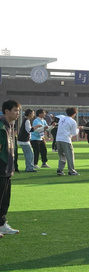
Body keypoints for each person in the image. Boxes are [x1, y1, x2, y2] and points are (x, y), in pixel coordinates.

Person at [0, 100, 21, 238]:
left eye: (18, 111)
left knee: (5, 199)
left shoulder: (10, 125)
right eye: (15, 110)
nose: (17, 113)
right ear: (6, 111)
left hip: (7, 167)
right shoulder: (1, 125)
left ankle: (2, 224)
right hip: (1, 166)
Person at [56, 107, 82, 176]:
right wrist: (79, 129)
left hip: (58, 139)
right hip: (66, 139)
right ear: (74, 113)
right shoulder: (72, 121)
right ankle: (71, 170)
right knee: (70, 155)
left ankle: (60, 169)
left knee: (62, 155)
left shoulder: (62, 119)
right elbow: (74, 133)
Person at [17, 109, 41, 173]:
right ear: (30, 113)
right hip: (24, 141)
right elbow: (29, 130)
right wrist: (37, 126)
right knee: (30, 154)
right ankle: (29, 168)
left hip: (23, 140)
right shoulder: (27, 120)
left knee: (29, 154)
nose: (33, 115)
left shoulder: (26, 120)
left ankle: (29, 167)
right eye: (33, 113)